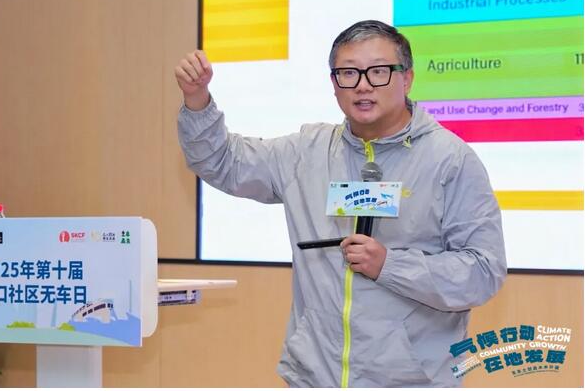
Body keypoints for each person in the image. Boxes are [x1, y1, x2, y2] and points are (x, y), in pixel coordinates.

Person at [174, 20, 507, 387]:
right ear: (334, 84)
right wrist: (197, 101)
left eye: (378, 71)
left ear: (407, 79)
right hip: (316, 377)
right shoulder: (306, 152)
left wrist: (390, 265)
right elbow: (222, 161)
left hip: (410, 381)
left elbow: (483, 271)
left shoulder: (450, 160)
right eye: (348, 73)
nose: (363, 85)